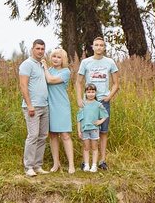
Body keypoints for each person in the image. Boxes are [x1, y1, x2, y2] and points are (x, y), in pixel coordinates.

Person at [75, 36, 119, 170]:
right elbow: (78, 82)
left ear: (104, 47)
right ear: (92, 47)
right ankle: (86, 162)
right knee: (87, 129)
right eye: (96, 45)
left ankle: (102, 160)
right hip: (88, 102)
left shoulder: (110, 62)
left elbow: (116, 83)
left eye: (101, 45)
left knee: (103, 131)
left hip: (102, 101)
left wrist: (109, 96)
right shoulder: (86, 62)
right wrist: (79, 98)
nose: (99, 47)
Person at [18, 39, 50, 177]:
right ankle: (28, 167)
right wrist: (30, 105)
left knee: (43, 136)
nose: (40, 51)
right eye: (38, 48)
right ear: (32, 49)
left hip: (44, 105)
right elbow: (23, 86)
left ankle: (37, 165)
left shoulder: (42, 64)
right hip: (32, 107)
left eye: (42, 49)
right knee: (33, 136)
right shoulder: (27, 64)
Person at [44, 48, 75, 173]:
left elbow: (50, 80)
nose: (56, 59)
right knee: (52, 135)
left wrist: (45, 67)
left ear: (63, 60)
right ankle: (56, 164)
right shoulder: (49, 70)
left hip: (61, 106)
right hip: (49, 106)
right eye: (54, 56)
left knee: (65, 135)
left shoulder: (65, 71)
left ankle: (71, 165)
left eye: (59, 57)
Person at [76, 84, 109, 173]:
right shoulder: (83, 104)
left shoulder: (98, 105)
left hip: (94, 129)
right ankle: (86, 164)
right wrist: (79, 130)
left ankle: (94, 165)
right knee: (86, 147)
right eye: (88, 92)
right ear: (85, 93)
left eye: (93, 92)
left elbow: (105, 115)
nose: (91, 94)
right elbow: (79, 119)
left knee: (94, 147)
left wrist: (100, 121)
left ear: (95, 93)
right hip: (84, 129)